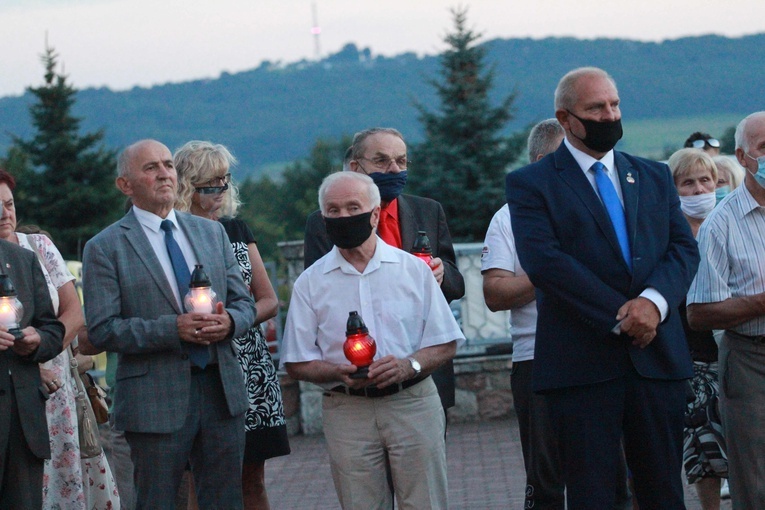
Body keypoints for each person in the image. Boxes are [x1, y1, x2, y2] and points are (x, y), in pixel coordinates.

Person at [505, 67, 699, 509]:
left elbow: (683, 250)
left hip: (657, 360)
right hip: (583, 365)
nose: (609, 115)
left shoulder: (651, 176)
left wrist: (652, 305)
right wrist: (625, 316)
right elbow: (546, 263)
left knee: (664, 492)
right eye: (596, 108)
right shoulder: (531, 183)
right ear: (566, 118)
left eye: (614, 105)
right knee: (593, 494)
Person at [82, 139, 255, 509]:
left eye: (167, 165)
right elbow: (102, 329)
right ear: (125, 185)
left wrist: (228, 324)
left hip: (220, 392)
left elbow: (245, 303)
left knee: (226, 501)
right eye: (150, 168)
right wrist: (172, 328)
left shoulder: (212, 232)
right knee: (158, 503)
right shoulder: (105, 246)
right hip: (153, 401)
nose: (164, 173)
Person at [282, 171, 464, 509]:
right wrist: (336, 372)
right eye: (333, 211)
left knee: (426, 502)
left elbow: (446, 342)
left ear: (376, 214)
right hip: (347, 409)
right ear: (323, 219)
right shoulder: (311, 283)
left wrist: (409, 365)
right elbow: (296, 361)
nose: (343, 217)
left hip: (412, 402)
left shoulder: (413, 270)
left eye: (353, 207)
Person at [304, 127, 464, 417]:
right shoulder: (325, 222)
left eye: (401, 161)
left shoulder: (428, 210)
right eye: (381, 161)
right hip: (355, 380)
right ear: (355, 167)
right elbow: (317, 292)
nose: (394, 169)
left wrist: (442, 274)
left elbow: (457, 284)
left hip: (422, 377)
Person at [174, 140, 290, 510]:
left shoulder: (236, 229)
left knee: (252, 478)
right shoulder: (171, 236)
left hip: (250, 367)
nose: (221, 192)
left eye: (225, 181)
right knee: (199, 481)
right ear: (187, 187)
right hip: (198, 364)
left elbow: (269, 300)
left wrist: (233, 322)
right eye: (210, 184)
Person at [481, 118, 565, 509]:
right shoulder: (508, 217)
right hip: (538, 358)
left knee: (610, 475)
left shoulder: (603, 205)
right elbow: (495, 294)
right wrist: (554, 268)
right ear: (536, 162)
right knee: (545, 482)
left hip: (603, 353)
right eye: (562, 159)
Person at [687, 111, 765, 508]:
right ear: (742, 156)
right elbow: (698, 313)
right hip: (751, 360)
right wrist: (761, 302)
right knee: (753, 480)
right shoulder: (721, 224)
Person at [667, 149, 728, 510]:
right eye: (687, 182)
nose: (698, 189)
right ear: (674, 189)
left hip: (734, 349)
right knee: (703, 452)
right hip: (690, 357)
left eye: (706, 180)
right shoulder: (668, 235)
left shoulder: (727, 225)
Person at [0, 197, 65, 507]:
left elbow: (52, 328)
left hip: (23, 422)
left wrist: (37, 338)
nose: (3, 213)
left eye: (7, 204)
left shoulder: (23, 259)